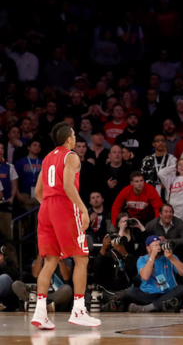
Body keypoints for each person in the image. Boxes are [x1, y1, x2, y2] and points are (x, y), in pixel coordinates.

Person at [32, 122, 100, 329]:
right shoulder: (71, 156)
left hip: (45, 208)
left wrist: (50, 208)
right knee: (81, 258)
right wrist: (83, 208)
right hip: (63, 206)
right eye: (74, 136)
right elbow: (68, 186)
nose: (76, 139)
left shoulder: (47, 158)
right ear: (69, 139)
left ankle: (40, 312)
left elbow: (37, 193)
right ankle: (79, 309)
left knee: (50, 261)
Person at [122, 235, 183, 313]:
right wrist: (152, 256)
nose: (159, 247)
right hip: (149, 295)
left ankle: (148, 308)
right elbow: (145, 277)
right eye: (155, 246)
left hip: (168, 293)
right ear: (148, 248)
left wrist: (171, 258)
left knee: (181, 289)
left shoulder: (170, 257)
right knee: (130, 292)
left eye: (160, 245)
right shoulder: (142, 259)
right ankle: (161, 305)